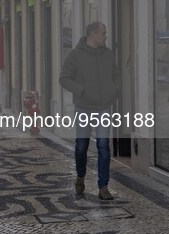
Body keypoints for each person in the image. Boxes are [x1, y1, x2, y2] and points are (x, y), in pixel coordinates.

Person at [60, 21, 120, 201]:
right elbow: (64, 79)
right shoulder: (75, 55)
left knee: (103, 145)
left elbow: (116, 75)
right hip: (84, 107)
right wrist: (82, 91)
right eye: (103, 33)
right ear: (92, 35)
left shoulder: (108, 54)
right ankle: (80, 175)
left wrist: (113, 90)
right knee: (81, 147)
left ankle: (103, 186)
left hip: (104, 107)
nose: (105, 36)